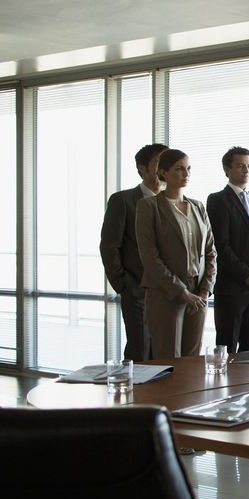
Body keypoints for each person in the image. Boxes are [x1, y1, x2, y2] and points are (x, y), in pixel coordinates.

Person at [136, 149, 217, 358]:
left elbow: (211, 252)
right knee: (168, 360)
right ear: (163, 173)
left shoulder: (198, 206)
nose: (186, 174)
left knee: (192, 361)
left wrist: (205, 290)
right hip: (165, 292)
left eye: (188, 169)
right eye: (179, 169)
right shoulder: (149, 207)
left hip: (198, 291)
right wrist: (182, 292)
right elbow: (150, 257)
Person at [99, 143, 166, 361]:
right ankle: (136, 395)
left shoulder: (175, 203)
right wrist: (124, 285)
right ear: (142, 169)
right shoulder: (123, 200)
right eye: (158, 163)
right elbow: (109, 246)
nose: (163, 169)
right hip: (137, 289)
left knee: (165, 354)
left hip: (170, 292)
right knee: (140, 349)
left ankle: (162, 396)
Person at [206, 146, 249, 353]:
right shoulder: (218, 200)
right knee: (228, 348)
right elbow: (221, 246)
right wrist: (246, 275)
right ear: (227, 169)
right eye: (240, 166)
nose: (245, 170)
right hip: (232, 287)